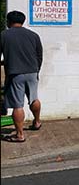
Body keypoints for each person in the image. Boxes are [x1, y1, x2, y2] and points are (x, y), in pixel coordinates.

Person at [0, 11, 43, 143]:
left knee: (17, 105)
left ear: (8, 21)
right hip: (32, 72)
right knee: (34, 98)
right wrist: (36, 70)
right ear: (23, 21)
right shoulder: (33, 35)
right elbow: (39, 56)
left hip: (15, 74)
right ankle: (36, 122)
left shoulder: (4, 35)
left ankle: (19, 135)